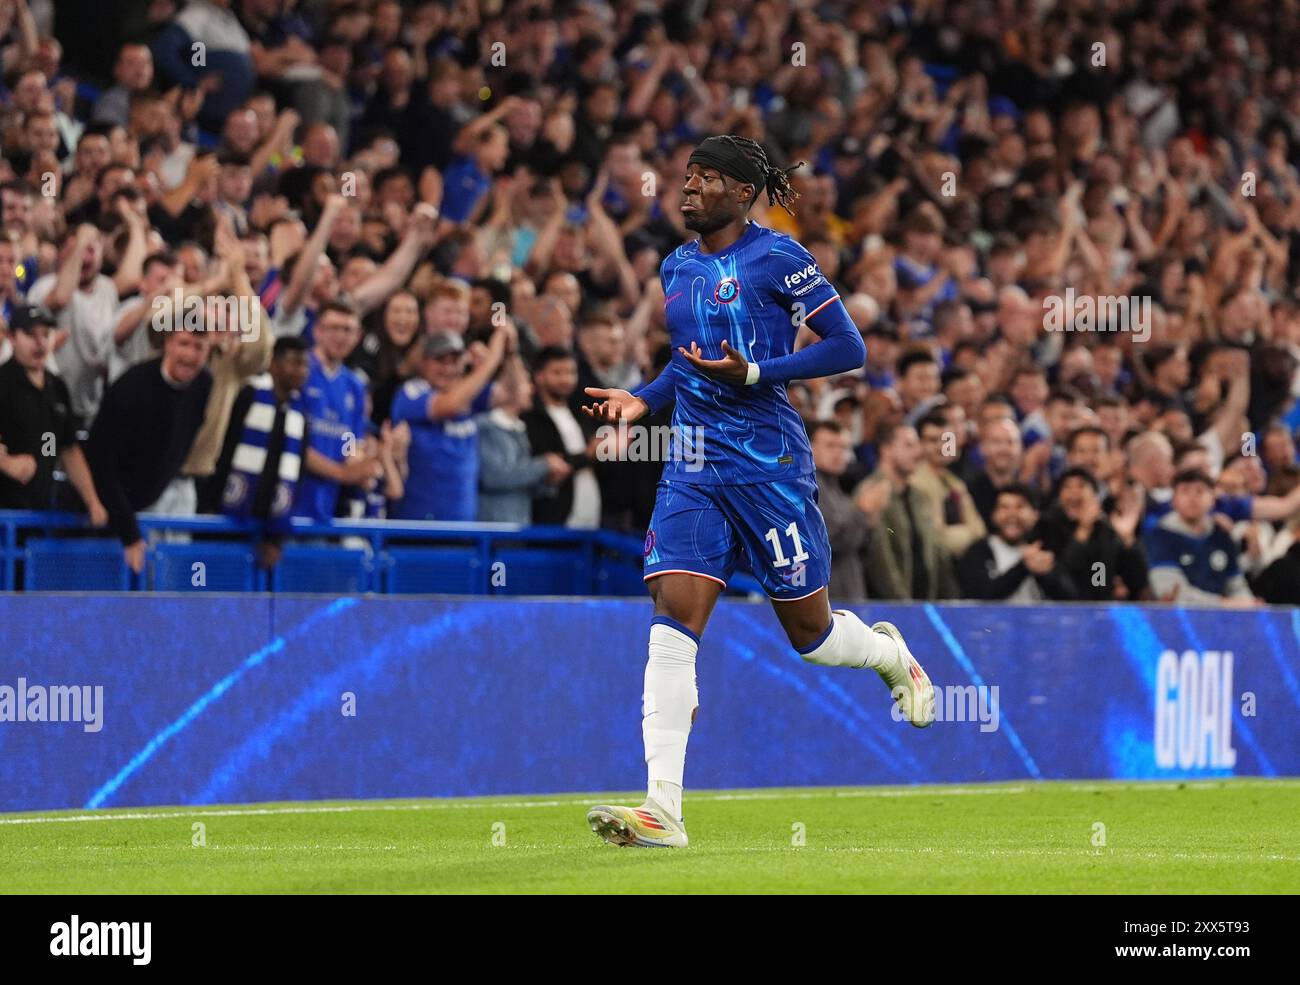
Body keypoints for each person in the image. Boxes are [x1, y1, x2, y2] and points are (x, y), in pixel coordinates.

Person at [580, 135, 935, 849]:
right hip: (694, 464)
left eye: (707, 180)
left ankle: (893, 657)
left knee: (813, 636)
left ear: (743, 194)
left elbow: (848, 347)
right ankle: (664, 809)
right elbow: (690, 365)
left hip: (771, 466)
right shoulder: (674, 265)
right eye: (687, 177)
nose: (688, 189)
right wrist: (644, 400)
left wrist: (755, 373)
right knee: (672, 617)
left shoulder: (781, 258)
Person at [83, 326, 214, 574]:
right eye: (183, 344)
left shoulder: (204, 385)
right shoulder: (131, 385)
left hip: (159, 499)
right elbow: (100, 462)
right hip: (110, 513)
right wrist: (128, 532)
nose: (190, 355)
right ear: (168, 343)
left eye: (199, 347)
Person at [389, 323, 515, 521]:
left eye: (454, 361)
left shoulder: (469, 396)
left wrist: (510, 355)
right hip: (416, 530)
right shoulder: (412, 392)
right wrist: (491, 360)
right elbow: (449, 406)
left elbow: (511, 395)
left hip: (464, 531)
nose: (447, 368)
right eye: (440, 360)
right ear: (424, 363)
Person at [213, 336, 311, 569]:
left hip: (269, 522)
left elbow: (298, 473)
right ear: (273, 364)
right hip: (231, 511)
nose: (301, 371)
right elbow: (226, 448)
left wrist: (276, 537)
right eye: (294, 363)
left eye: (305, 365)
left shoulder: (301, 411)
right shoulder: (249, 394)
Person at [0, 304, 105, 521]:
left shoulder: (57, 387)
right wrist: (7, 463)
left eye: (46, 334)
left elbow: (68, 449)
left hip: (40, 510)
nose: (39, 343)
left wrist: (92, 501)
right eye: (30, 334)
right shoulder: (3, 382)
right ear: (11, 337)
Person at [1143, 469, 1258, 607]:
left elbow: (1236, 585)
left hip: (1221, 621)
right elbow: (1173, 593)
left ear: (1213, 499)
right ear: (1173, 500)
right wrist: (1225, 604)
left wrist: (1249, 604)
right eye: (1185, 491)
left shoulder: (1221, 536)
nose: (1193, 498)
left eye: (1200, 491)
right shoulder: (1160, 536)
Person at [956, 485, 1077, 601]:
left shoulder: (1045, 549)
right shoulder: (978, 551)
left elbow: (1071, 599)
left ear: (1035, 515)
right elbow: (981, 596)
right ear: (993, 515)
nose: (1012, 514)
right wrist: (1024, 567)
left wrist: (1047, 575)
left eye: (1020, 507)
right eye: (1004, 507)